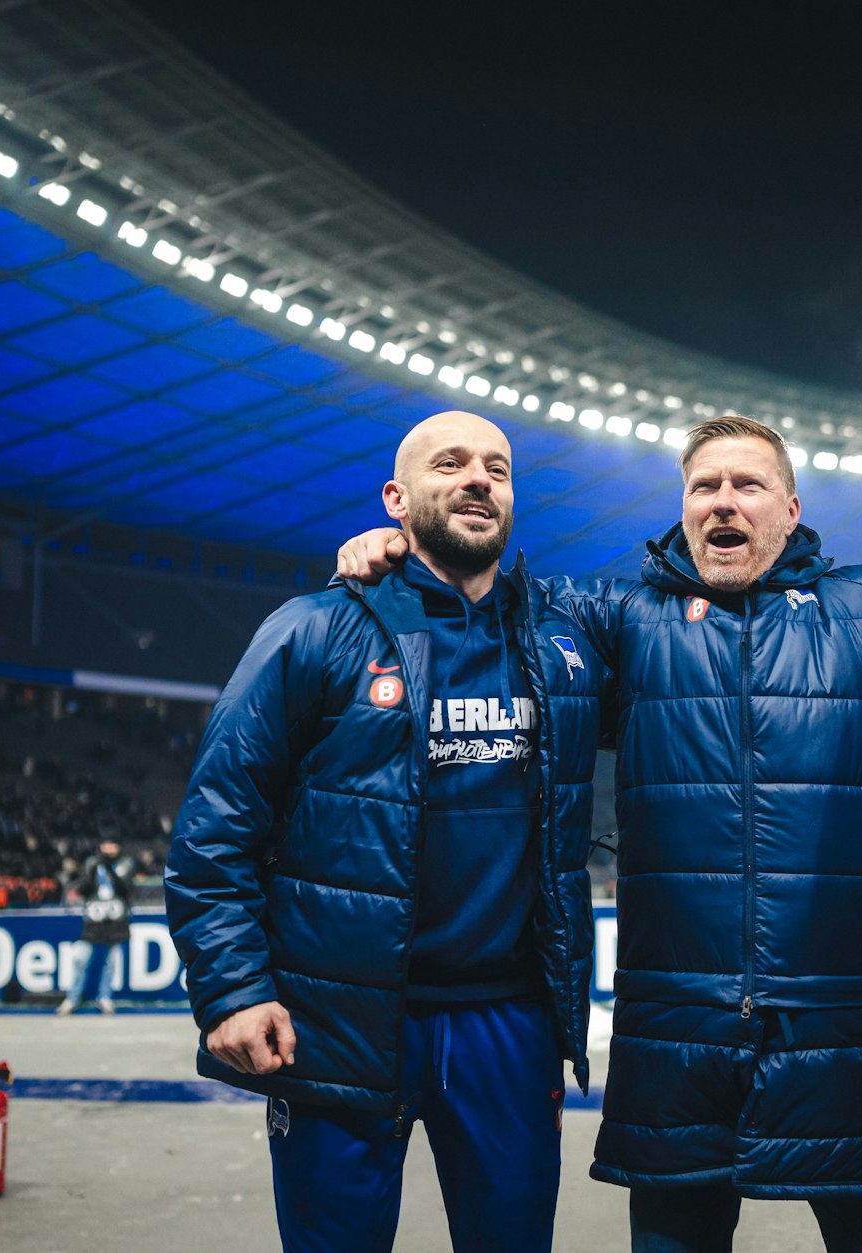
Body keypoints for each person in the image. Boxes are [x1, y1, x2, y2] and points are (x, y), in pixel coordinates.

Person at [339, 414, 862, 1252]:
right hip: (675, 1041)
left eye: (747, 484)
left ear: (792, 508)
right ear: (684, 509)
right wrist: (400, 548)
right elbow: (487, 595)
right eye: (704, 487)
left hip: (846, 1034)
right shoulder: (620, 619)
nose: (723, 501)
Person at [165, 411, 609, 1253]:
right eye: (452, 463)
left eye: (498, 468)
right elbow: (213, 827)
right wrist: (230, 987)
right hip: (338, 1022)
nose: (480, 479)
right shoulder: (315, 628)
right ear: (396, 498)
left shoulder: (562, 635)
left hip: (508, 1025)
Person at [57, 838, 133, 1015]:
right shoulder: (92, 863)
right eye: (105, 844)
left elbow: (126, 889)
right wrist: (89, 875)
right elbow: (83, 890)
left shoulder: (126, 864)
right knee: (81, 959)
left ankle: (105, 998)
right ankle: (72, 998)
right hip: (93, 919)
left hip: (116, 920)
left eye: (112, 844)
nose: (108, 849)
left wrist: (108, 870)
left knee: (111, 962)